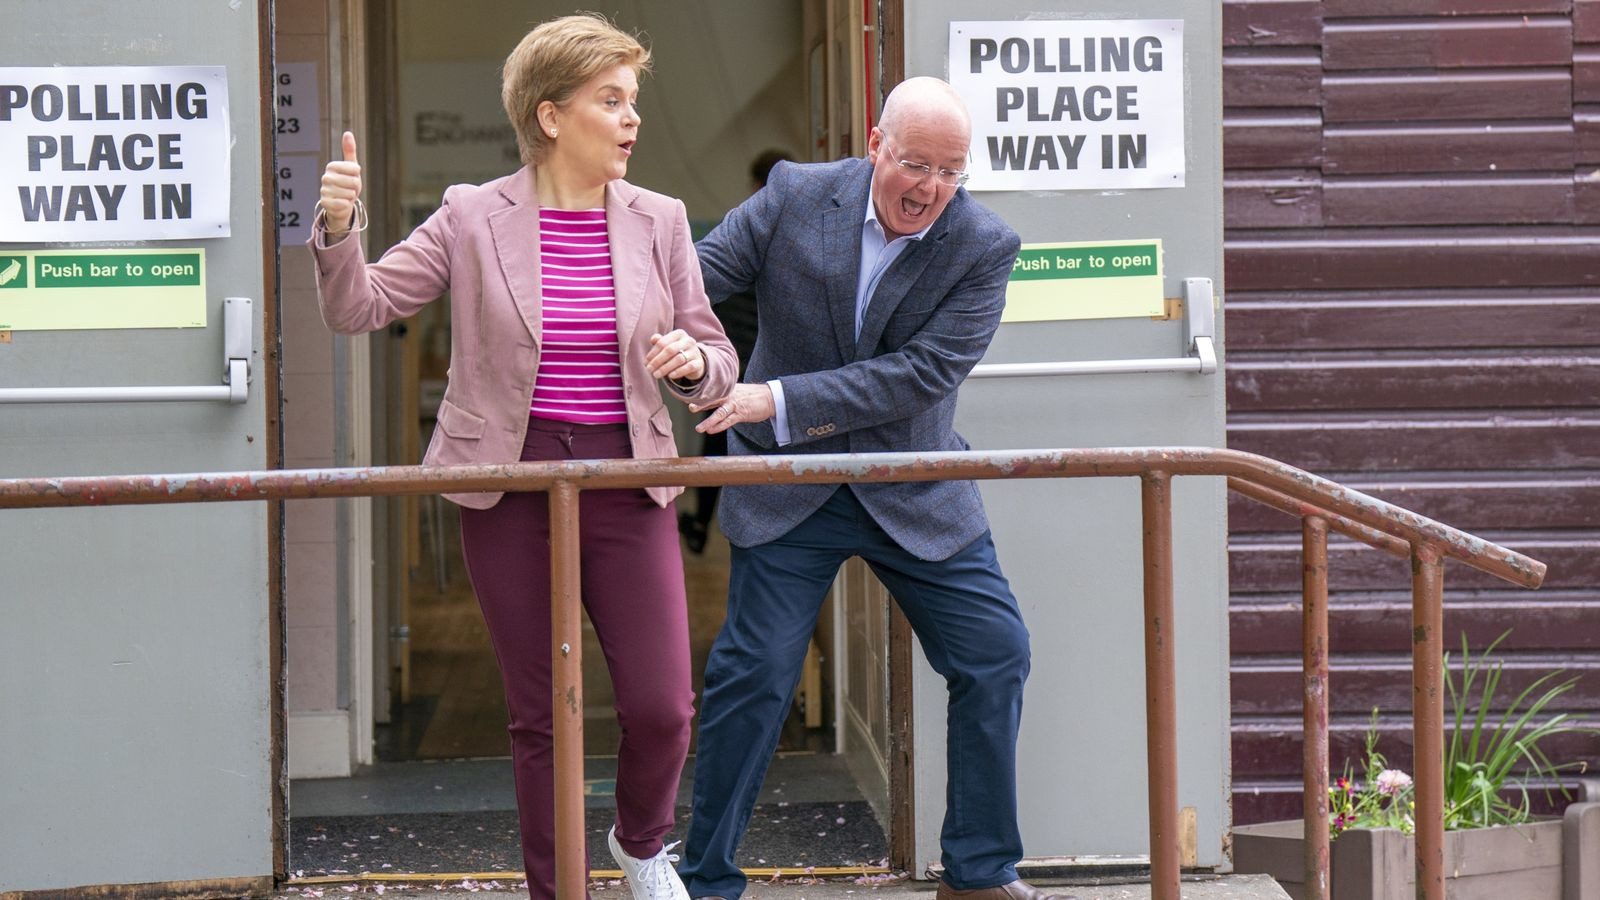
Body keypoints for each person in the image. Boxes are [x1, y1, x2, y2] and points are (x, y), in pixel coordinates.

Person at [309, 14, 735, 900]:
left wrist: (695, 365)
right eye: (610, 101)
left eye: (632, 101)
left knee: (663, 708)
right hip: (506, 484)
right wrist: (337, 225)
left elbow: (715, 355)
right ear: (550, 115)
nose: (632, 120)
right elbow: (362, 307)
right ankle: (556, 891)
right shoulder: (472, 215)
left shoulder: (660, 219)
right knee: (542, 714)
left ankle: (640, 842)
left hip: (624, 477)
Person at [676, 77, 1075, 900]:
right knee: (753, 674)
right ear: (875, 144)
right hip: (790, 486)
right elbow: (697, 275)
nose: (929, 188)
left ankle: (980, 870)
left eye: (951, 171)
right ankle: (705, 879)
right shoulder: (794, 194)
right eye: (916, 163)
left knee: (996, 654)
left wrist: (773, 399)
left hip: (914, 487)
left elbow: (922, 375)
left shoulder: (984, 244)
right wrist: (685, 348)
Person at [677, 148, 793, 554]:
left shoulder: (742, 224)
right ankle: (733, 529)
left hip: (728, 358)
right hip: (762, 363)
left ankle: (705, 523)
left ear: (755, 183)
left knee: (716, 443)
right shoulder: (792, 228)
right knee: (742, 445)